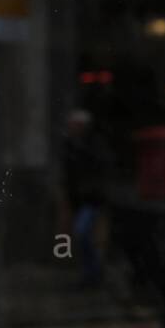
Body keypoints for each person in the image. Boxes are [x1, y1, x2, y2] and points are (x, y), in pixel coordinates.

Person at [61, 109, 110, 287]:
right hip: (79, 199)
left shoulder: (92, 145)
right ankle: (91, 271)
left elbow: (98, 170)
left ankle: (94, 271)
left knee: (83, 233)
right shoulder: (71, 145)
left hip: (91, 199)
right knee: (82, 235)